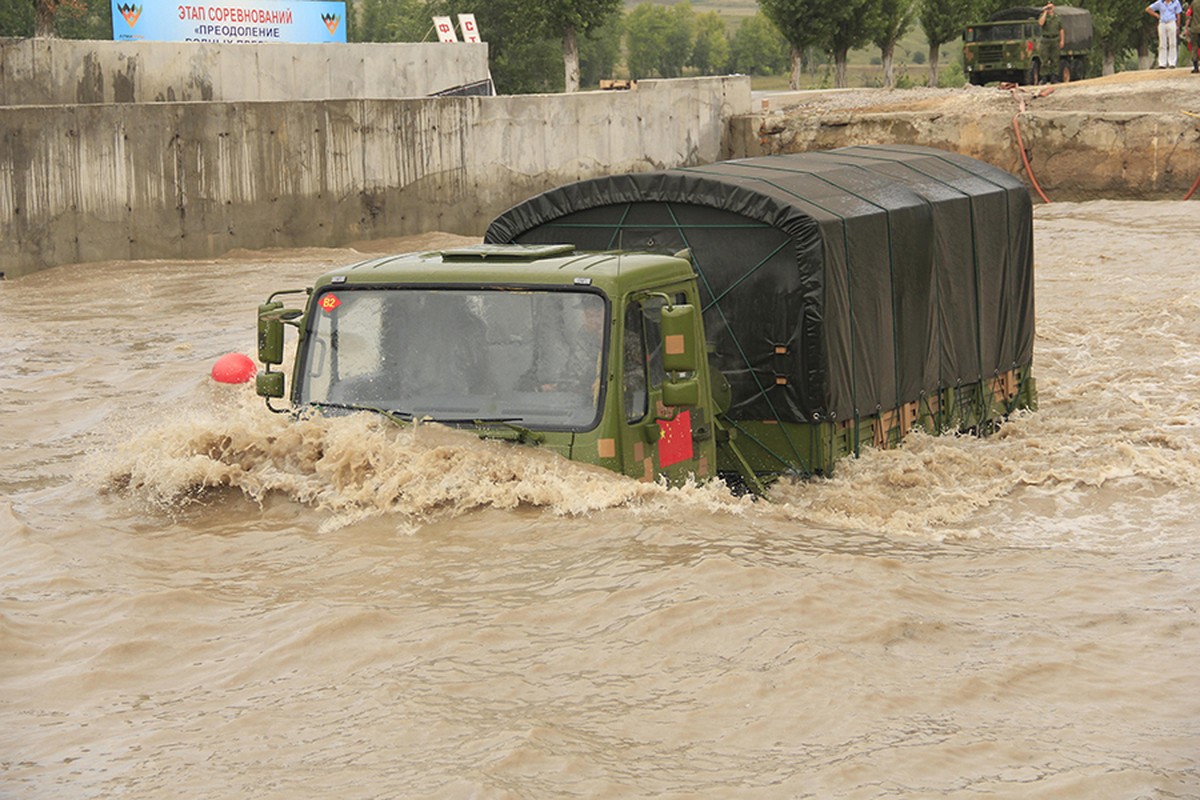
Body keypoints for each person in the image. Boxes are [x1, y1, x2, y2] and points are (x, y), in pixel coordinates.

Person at [1146, 0, 1184, 69]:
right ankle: (1162, 63)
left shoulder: (1175, 2)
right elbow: (1148, 9)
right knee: (1162, 44)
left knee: (1172, 43)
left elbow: (1178, 14)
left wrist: (1178, 26)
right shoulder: (1160, 2)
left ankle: (1172, 63)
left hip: (1171, 22)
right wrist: (1156, 15)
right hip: (1162, 23)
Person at [1037, 3, 1065, 83]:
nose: (1050, 8)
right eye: (1048, 7)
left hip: (1055, 39)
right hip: (1045, 40)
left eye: (1051, 7)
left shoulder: (1057, 17)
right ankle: (1044, 77)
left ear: (1054, 7)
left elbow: (1061, 29)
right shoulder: (1043, 16)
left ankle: (1054, 77)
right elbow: (1041, 23)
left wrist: (1062, 40)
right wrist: (1045, 12)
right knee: (1044, 59)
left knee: (1055, 59)